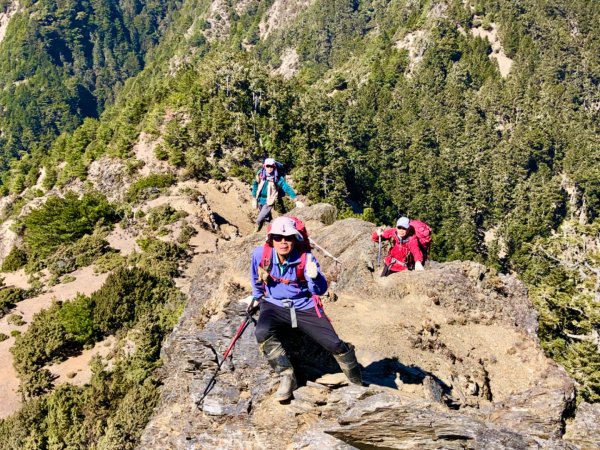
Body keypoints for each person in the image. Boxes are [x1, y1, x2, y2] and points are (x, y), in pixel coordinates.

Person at [248, 216, 362, 401]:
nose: (283, 242)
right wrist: (256, 295)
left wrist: (315, 277)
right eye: (278, 237)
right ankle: (286, 375)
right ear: (271, 239)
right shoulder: (261, 254)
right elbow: (255, 275)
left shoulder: (306, 259)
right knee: (262, 332)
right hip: (274, 304)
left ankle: (356, 382)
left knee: (334, 344)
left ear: (295, 239)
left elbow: (319, 289)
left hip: (303, 305)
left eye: (288, 238)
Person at [251, 158, 304, 232]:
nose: (269, 168)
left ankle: (257, 229)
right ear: (264, 166)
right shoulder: (260, 175)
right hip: (259, 199)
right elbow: (255, 185)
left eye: (271, 166)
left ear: (274, 167)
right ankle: (271, 226)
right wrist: (254, 198)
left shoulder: (277, 178)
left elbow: (287, 188)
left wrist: (296, 200)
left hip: (269, 201)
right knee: (267, 217)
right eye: (268, 166)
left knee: (260, 217)